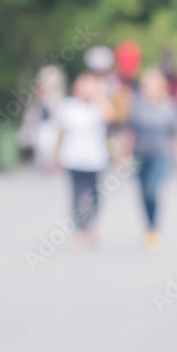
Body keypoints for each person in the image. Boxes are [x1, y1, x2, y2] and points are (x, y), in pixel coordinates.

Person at [125, 69, 177, 251]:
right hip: (140, 155)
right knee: (143, 193)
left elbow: (176, 133)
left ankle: (154, 228)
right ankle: (149, 227)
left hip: (161, 155)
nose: (149, 89)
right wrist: (125, 156)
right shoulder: (137, 105)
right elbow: (130, 132)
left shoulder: (170, 107)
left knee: (152, 189)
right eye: (146, 86)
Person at [54, 74, 112, 248]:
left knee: (95, 195)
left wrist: (99, 95)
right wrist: (55, 154)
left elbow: (111, 116)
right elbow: (61, 131)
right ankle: (79, 230)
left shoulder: (98, 105)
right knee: (77, 195)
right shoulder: (67, 106)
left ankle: (91, 225)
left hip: (95, 159)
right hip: (73, 158)